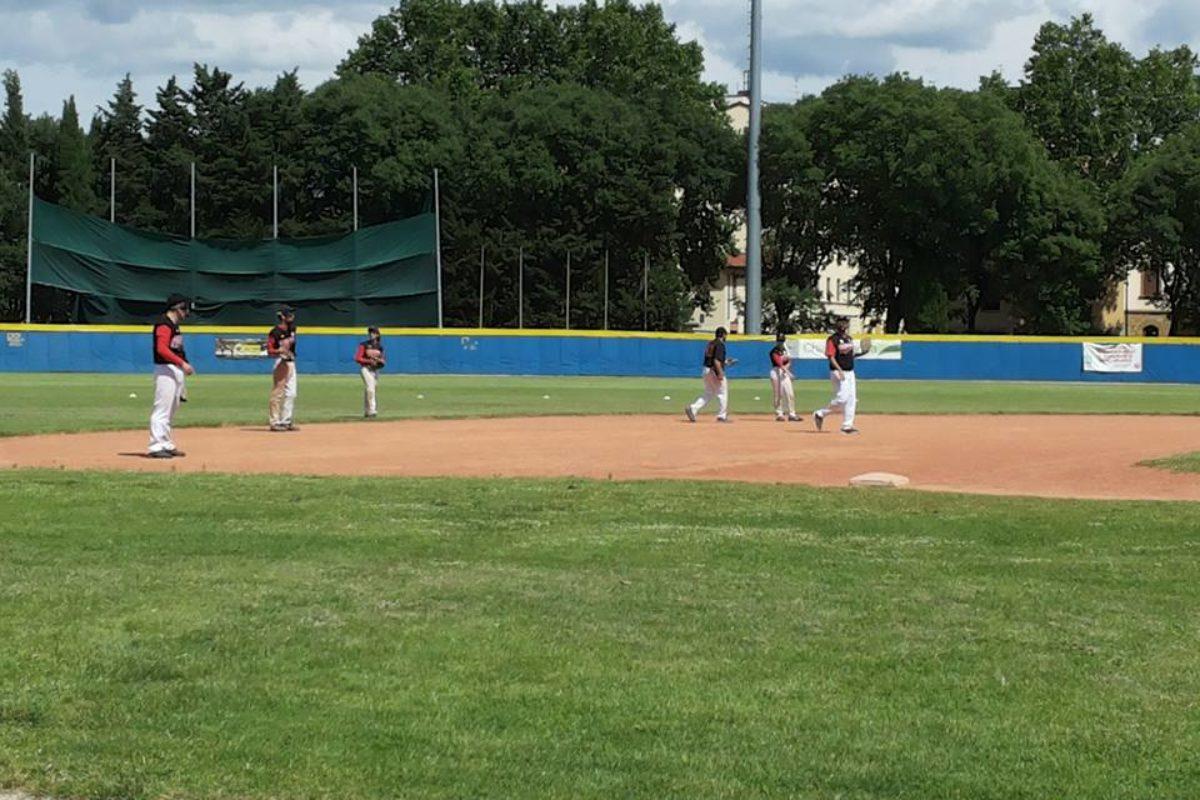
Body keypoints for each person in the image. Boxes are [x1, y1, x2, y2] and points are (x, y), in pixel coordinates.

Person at [148, 294, 195, 458]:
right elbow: (162, 349)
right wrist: (182, 364)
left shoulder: (174, 326)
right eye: (184, 309)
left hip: (174, 369)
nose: (186, 313)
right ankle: (155, 446)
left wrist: (184, 365)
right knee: (162, 409)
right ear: (177, 308)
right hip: (165, 369)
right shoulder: (164, 324)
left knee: (171, 409)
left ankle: (166, 443)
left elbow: (177, 349)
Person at [813, 316, 871, 434]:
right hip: (838, 371)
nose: (843, 325)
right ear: (837, 325)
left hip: (850, 372)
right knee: (842, 398)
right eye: (841, 322)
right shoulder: (832, 339)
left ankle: (847, 426)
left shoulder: (849, 339)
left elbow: (850, 355)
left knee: (851, 399)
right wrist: (839, 370)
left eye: (845, 322)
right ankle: (820, 413)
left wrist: (862, 353)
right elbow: (830, 356)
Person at [685, 327, 735, 423]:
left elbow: (714, 359)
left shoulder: (711, 343)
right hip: (713, 371)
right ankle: (722, 416)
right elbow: (716, 361)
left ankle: (693, 408)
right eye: (726, 335)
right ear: (723, 335)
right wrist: (720, 373)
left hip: (706, 370)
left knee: (709, 393)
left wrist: (726, 362)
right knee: (722, 393)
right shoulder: (720, 345)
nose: (726, 337)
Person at [267, 305, 298, 431]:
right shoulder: (275, 332)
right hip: (280, 362)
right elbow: (269, 350)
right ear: (283, 317)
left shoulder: (293, 328)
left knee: (292, 393)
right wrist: (278, 351)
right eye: (289, 314)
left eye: (292, 314)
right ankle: (274, 422)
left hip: (291, 362)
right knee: (278, 392)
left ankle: (286, 421)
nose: (292, 316)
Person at [354, 326, 386, 418]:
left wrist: (380, 362)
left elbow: (383, 360)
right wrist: (369, 361)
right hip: (365, 369)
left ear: (377, 334)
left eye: (373, 332)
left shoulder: (380, 347)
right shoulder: (363, 345)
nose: (371, 334)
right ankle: (372, 410)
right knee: (370, 388)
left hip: (375, 370)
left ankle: (367, 411)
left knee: (369, 389)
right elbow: (357, 358)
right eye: (370, 332)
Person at [769, 332, 799, 422]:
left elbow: (789, 360)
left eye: (782, 341)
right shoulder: (773, 351)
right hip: (776, 372)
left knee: (790, 393)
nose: (780, 343)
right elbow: (779, 364)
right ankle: (779, 414)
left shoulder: (786, 350)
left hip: (784, 372)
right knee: (779, 394)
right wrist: (789, 373)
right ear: (776, 341)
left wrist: (786, 369)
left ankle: (792, 414)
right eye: (779, 341)